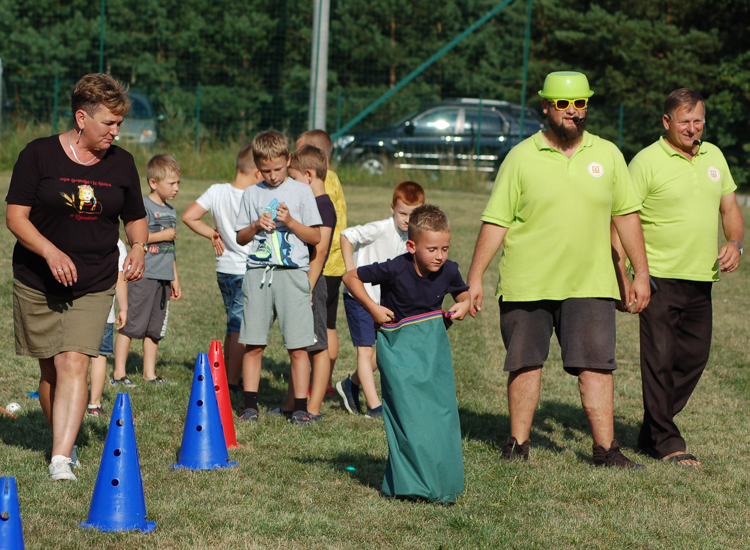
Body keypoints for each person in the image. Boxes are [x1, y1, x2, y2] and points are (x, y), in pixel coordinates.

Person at [466, 71, 650, 468]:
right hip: (527, 281)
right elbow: (496, 220)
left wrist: (640, 273)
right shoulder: (520, 156)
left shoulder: (608, 155)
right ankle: (518, 445)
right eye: (564, 104)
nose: (573, 111)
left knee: (597, 366)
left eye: (580, 103)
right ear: (546, 107)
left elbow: (627, 217)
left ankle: (606, 451)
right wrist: (476, 276)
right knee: (524, 362)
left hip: (591, 281)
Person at [5, 73, 148, 481]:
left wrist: (137, 246)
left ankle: (61, 458)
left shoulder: (122, 163)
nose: (116, 131)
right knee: (50, 370)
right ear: (81, 117)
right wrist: (50, 251)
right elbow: (16, 217)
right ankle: (60, 437)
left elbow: (135, 218)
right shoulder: (39, 155)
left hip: (94, 278)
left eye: (119, 123)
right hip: (37, 280)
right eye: (109, 123)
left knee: (74, 362)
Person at [621, 88, 744, 466]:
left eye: (698, 121)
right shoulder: (645, 161)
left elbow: (730, 208)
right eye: (685, 121)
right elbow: (623, 219)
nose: (693, 128)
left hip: (700, 280)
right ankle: (668, 441)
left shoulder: (714, 157)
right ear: (666, 122)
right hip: (657, 276)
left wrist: (735, 243)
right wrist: (629, 275)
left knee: (694, 357)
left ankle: (651, 431)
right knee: (658, 359)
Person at [343, 204, 470, 503]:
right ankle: (410, 483)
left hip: (432, 353)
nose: (440, 256)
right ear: (411, 246)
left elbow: (462, 294)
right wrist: (373, 308)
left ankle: (440, 481)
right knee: (408, 416)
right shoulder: (395, 268)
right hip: (397, 352)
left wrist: (463, 304)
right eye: (432, 249)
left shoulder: (449, 270)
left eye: (445, 248)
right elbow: (351, 278)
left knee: (439, 415)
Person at [234, 130, 322, 425]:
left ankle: (299, 406)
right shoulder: (251, 194)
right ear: (258, 167)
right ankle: (249, 406)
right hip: (258, 274)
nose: (273, 176)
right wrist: (256, 226)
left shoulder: (301, 191)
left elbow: (315, 236)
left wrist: (290, 222)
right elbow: (240, 237)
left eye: (278, 169)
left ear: (288, 160)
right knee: (254, 343)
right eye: (266, 171)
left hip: (292, 274)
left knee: (297, 346)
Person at [335, 181, 425, 417]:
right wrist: (350, 270)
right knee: (365, 351)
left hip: (384, 302)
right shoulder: (380, 228)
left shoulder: (413, 236)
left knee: (385, 350)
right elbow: (347, 235)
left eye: (413, 214)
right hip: (359, 297)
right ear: (392, 208)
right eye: (402, 213)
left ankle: (350, 384)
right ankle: (374, 407)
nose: (407, 219)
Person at [181, 143, 263, 391]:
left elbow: (189, 216)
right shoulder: (255, 195)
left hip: (224, 270)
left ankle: (228, 373)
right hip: (245, 270)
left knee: (232, 325)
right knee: (240, 327)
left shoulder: (216, 190)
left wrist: (212, 234)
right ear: (258, 171)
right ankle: (233, 382)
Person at [271, 144, 337, 420]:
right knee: (299, 345)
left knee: (317, 346)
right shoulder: (313, 203)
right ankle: (290, 405)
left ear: (309, 176)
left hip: (312, 283)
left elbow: (320, 252)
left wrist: (306, 288)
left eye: (295, 179)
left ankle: (313, 408)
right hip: (303, 280)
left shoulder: (323, 205)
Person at [113, 154, 182, 385]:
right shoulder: (143, 207)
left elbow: (170, 249)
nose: (176, 188)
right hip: (143, 275)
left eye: (178, 183)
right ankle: (119, 373)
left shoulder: (172, 211)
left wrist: (174, 277)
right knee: (132, 324)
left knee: (155, 329)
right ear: (153, 183)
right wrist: (163, 235)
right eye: (171, 183)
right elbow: (134, 238)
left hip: (163, 277)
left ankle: (149, 374)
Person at [296, 130, 348, 395]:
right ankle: (325, 382)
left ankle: (318, 383)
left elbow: (319, 230)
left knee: (318, 330)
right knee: (328, 325)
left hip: (322, 263)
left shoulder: (321, 187)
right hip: (336, 263)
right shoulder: (335, 178)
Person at [87, 239, 129, 417]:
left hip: (74, 309)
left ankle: (69, 397)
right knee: (99, 355)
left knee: (75, 357)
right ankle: (94, 404)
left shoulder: (73, 231)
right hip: (104, 310)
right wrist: (124, 308)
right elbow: (120, 278)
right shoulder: (115, 241)